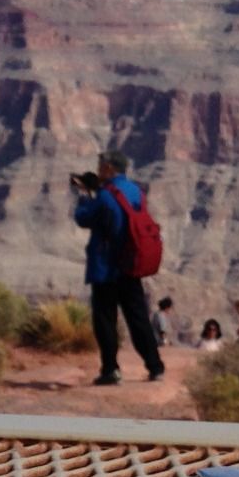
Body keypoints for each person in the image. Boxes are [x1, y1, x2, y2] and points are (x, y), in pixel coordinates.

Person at [71, 149, 164, 386]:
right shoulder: (136, 191)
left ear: (110, 168)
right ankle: (155, 366)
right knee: (138, 318)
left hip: (106, 267)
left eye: (101, 165)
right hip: (131, 264)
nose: (99, 169)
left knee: (105, 319)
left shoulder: (104, 195)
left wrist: (85, 195)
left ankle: (110, 369)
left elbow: (84, 219)